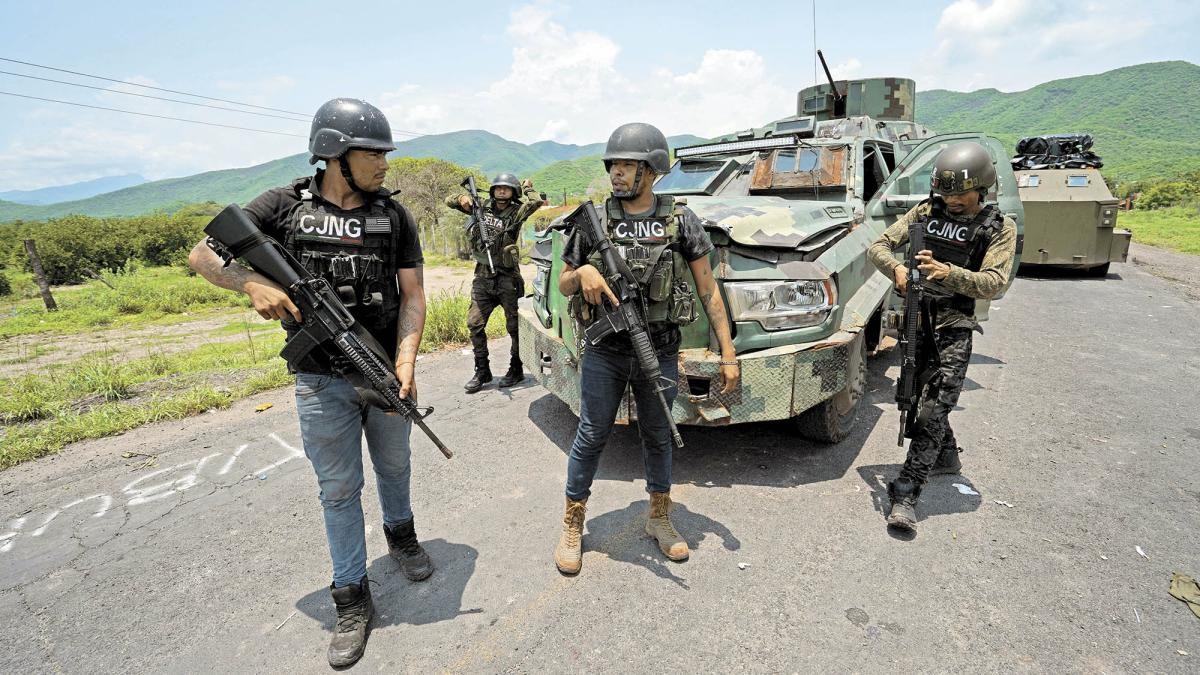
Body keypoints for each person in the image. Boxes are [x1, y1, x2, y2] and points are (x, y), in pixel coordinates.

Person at [189, 98, 430, 667]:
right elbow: (203, 255)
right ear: (334, 154)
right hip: (320, 381)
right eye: (373, 154)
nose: (384, 164)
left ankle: (401, 535)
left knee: (395, 466)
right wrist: (250, 283)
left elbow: (413, 295)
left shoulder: (395, 216)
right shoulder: (282, 207)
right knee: (339, 490)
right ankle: (351, 596)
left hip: (383, 370)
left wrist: (407, 361)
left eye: (385, 154)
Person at [552, 122, 739, 574]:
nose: (615, 173)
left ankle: (659, 516)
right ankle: (573, 523)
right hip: (606, 349)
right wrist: (583, 275)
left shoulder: (680, 220)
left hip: (661, 348)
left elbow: (709, 290)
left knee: (659, 434)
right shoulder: (594, 220)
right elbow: (563, 282)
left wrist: (728, 354)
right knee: (592, 434)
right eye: (612, 164)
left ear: (652, 170)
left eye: (627, 165)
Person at [867, 141, 1017, 533]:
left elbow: (995, 282)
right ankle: (946, 455)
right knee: (916, 395)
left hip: (954, 326)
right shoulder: (924, 212)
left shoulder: (999, 227)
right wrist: (897, 270)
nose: (951, 201)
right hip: (917, 319)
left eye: (959, 194)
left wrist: (948, 273)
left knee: (934, 408)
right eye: (945, 193)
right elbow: (879, 246)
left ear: (981, 188)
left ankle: (906, 492)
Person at [446, 173, 545, 392]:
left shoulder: (517, 211)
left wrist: (528, 187)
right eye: (498, 187)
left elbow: (536, 202)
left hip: (508, 277)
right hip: (483, 277)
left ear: (513, 192)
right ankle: (482, 370)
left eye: (506, 188)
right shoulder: (480, 207)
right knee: (474, 323)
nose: (501, 191)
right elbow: (449, 200)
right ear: (492, 190)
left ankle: (516, 369)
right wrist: (462, 198)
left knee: (514, 327)